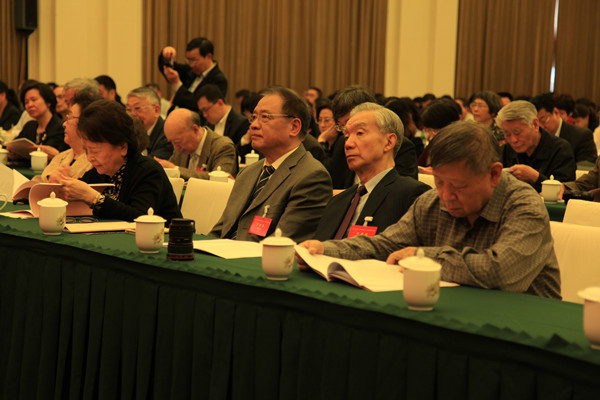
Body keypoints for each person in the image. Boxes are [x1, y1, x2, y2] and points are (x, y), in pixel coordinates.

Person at [298, 120, 561, 299]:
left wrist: (422, 256)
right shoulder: (431, 201)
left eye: (458, 186)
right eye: (439, 182)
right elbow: (385, 245)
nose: (446, 196)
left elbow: (500, 271)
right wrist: (324, 250)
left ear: (493, 174)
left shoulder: (524, 206)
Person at [209, 86, 332, 242]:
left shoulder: (311, 177)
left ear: (294, 127)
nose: (253, 125)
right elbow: (220, 231)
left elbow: (279, 244)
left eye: (265, 117)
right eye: (253, 117)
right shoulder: (247, 173)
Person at [314, 102, 429, 240]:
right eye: (346, 136)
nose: (348, 144)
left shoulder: (411, 195)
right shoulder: (338, 201)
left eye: (360, 133)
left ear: (388, 142)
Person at [59, 100, 181, 224]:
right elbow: (79, 195)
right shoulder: (101, 172)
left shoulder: (148, 171)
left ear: (122, 147)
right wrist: (62, 185)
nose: (90, 157)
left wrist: (94, 198)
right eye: (86, 150)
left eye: (95, 151)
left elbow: (140, 217)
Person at [322, 86, 418, 189]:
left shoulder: (400, 146)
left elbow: (402, 191)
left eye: (359, 132)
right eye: (342, 126)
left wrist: (350, 195)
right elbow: (329, 183)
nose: (347, 133)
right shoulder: (343, 143)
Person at [497, 100, 575, 192]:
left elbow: (565, 191)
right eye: (507, 134)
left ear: (535, 124)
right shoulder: (506, 150)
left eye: (517, 133)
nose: (513, 140)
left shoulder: (560, 150)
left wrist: (535, 177)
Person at [156, 108, 238, 180]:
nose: (175, 147)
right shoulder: (180, 148)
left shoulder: (223, 147)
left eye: (177, 142)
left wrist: (175, 170)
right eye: (172, 142)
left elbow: (221, 180)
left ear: (195, 129)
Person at [32, 92, 97, 183]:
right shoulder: (62, 156)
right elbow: (42, 180)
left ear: (85, 122)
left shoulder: (95, 162)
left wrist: (64, 181)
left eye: (69, 118)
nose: (64, 124)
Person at [158, 37, 227, 113]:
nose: (191, 65)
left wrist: (177, 84)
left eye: (194, 60)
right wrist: (166, 54)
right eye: (188, 60)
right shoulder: (191, 70)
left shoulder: (219, 80)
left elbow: (197, 105)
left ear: (208, 57)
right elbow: (168, 67)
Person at [530, 92, 596, 165]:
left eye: (543, 120)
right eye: (536, 122)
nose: (540, 126)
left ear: (556, 112)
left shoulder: (581, 135)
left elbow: (586, 166)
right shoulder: (536, 136)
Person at [9, 81, 66, 160]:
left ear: (48, 102)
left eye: (34, 100)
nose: (30, 105)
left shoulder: (61, 128)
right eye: (26, 102)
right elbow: (15, 146)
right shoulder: (30, 126)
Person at [125, 87, 173, 160]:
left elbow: (152, 163)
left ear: (156, 110)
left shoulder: (167, 134)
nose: (132, 114)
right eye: (129, 109)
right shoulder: (129, 132)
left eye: (137, 108)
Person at [418, 98, 462, 167]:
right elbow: (420, 165)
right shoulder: (434, 143)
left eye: (435, 130)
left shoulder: (464, 146)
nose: (431, 135)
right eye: (428, 130)